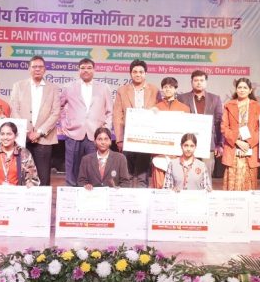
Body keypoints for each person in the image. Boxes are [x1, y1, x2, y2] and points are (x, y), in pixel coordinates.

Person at [60, 58, 113, 187]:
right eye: (83, 68)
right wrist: (64, 125)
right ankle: (71, 195)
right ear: (78, 70)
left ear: (94, 70)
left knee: (94, 169)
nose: (86, 70)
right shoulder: (69, 87)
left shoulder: (104, 87)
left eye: (89, 68)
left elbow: (109, 111)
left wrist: (105, 131)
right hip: (73, 133)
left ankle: (93, 195)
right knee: (72, 169)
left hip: (95, 134)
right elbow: (59, 107)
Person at [9, 56, 61, 186]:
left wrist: (39, 132)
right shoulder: (18, 86)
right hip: (23, 138)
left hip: (44, 138)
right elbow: (14, 109)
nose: (37, 69)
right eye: (34, 67)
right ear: (29, 69)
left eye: (40, 67)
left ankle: (42, 199)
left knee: (43, 177)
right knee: (22, 174)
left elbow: (55, 113)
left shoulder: (53, 88)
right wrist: (26, 131)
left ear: (45, 69)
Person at [113, 59, 160, 187]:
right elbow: (117, 116)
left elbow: (159, 112)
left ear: (145, 73)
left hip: (147, 137)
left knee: (142, 175)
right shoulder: (122, 90)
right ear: (130, 73)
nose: (138, 74)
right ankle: (126, 198)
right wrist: (119, 139)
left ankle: (141, 198)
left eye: (141, 72)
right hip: (128, 137)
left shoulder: (154, 90)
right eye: (135, 72)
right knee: (127, 174)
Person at [176, 70, 223, 175]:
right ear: (191, 82)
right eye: (196, 80)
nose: (198, 83)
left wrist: (219, 144)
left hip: (208, 143)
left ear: (206, 82)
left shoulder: (215, 99)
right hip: (188, 142)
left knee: (206, 174)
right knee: (187, 174)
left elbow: (219, 122)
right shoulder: (181, 98)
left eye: (201, 80)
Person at [222, 78, 260, 190]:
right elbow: (224, 127)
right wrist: (237, 141)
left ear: (250, 90)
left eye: (245, 87)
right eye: (239, 87)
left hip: (250, 149)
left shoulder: (257, 106)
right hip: (233, 148)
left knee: (249, 184)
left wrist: (248, 144)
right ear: (236, 89)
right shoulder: (229, 105)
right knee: (232, 185)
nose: (242, 90)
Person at [150, 77, 191, 187]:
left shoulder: (185, 108)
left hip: (177, 153)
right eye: (165, 87)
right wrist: (151, 114)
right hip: (160, 152)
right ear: (162, 89)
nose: (168, 89)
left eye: (171, 87)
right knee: (159, 185)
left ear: (175, 89)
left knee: (177, 184)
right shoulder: (155, 108)